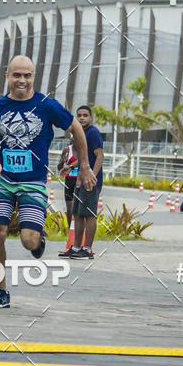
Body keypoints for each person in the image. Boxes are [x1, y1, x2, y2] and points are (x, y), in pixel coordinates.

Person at [0, 55, 96, 308]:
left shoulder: (46, 106)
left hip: (33, 182)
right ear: (7, 76)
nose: (22, 80)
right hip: (4, 180)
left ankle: (38, 238)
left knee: (29, 241)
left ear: (34, 76)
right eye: (17, 75)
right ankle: (1, 291)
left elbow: (76, 128)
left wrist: (85, 165)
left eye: (27, 75)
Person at [67, 105, 104, 260]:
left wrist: (92, 177)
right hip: (81, 180)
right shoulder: (80, 133)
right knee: (77, 213)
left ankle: (87, 249)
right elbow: (84, 158)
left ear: (91, 118)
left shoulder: (93, 133)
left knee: (89, 214)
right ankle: (76, 247)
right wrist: (70, 167)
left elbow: (100, 155)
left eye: (85, 115)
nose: (82, 118)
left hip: (91, 181)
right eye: (79, 115)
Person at [57, 137, 79, 228]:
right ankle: (71, 230)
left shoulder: (84, 150)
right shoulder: (67, 150)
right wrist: (63, 161)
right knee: (70, 208)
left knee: (78, 207)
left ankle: (79, 229)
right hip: (69, 180)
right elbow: (59, 167)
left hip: (80, 179)